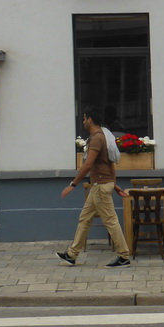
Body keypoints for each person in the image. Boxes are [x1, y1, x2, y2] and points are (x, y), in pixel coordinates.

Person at [57, 106, 131, 268]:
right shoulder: (102, 136)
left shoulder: (97, 138)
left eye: (84, 118)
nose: (83, 121)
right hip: (100, 185)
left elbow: (87, 164)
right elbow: (109, 164)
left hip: (100, 186)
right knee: (85, 218)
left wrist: (73, 184)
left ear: (90, 120)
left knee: (110, 221)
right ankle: (72, 254)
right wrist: (115, 185)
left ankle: (124, 256)